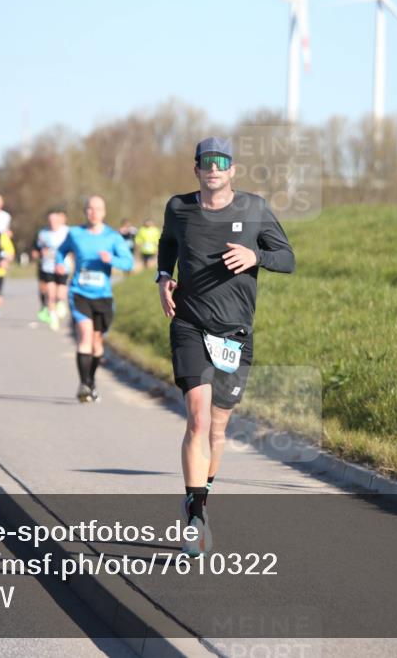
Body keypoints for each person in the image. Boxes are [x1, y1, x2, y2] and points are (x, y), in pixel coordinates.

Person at [157, 137, 295, 557]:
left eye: (222, 162)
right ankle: (196, 518)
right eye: (206, 162)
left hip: (235, 333)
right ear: (197, 169)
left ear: (232, 170)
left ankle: (201, 496)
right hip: (189, 324)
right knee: (198, 419)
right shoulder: (179, 208)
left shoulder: (253, 208)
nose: (214, 168)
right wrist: (164, 277)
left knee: (217, 428)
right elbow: (167, 243)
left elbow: (287, 258)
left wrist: (256, 257)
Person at [57, 195, 134, 402]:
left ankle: (90, 382)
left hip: (103, 296)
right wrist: (60, 264)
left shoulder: (113, 237)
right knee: (85, 335)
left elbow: (129, 263)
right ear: (85, 211)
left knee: (97, 343)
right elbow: (60, 252)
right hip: (79, 292)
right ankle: (83, 385)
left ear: (104, 212)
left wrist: (112, 259)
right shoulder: (75, 233)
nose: (93, 212)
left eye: (97, 209)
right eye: (89, 208)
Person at [32, 210, 70, 331]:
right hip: (47, 266)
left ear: (60, 220)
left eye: (54, 220)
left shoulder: (66, 231)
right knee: (50, 293)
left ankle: (60, 303)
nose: (52, 223)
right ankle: (53, 316)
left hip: (62, 267)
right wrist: (40, 252)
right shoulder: (43, 233)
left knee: (61, 293)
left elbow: (73, 247)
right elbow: (38, 247)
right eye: (50, 221)